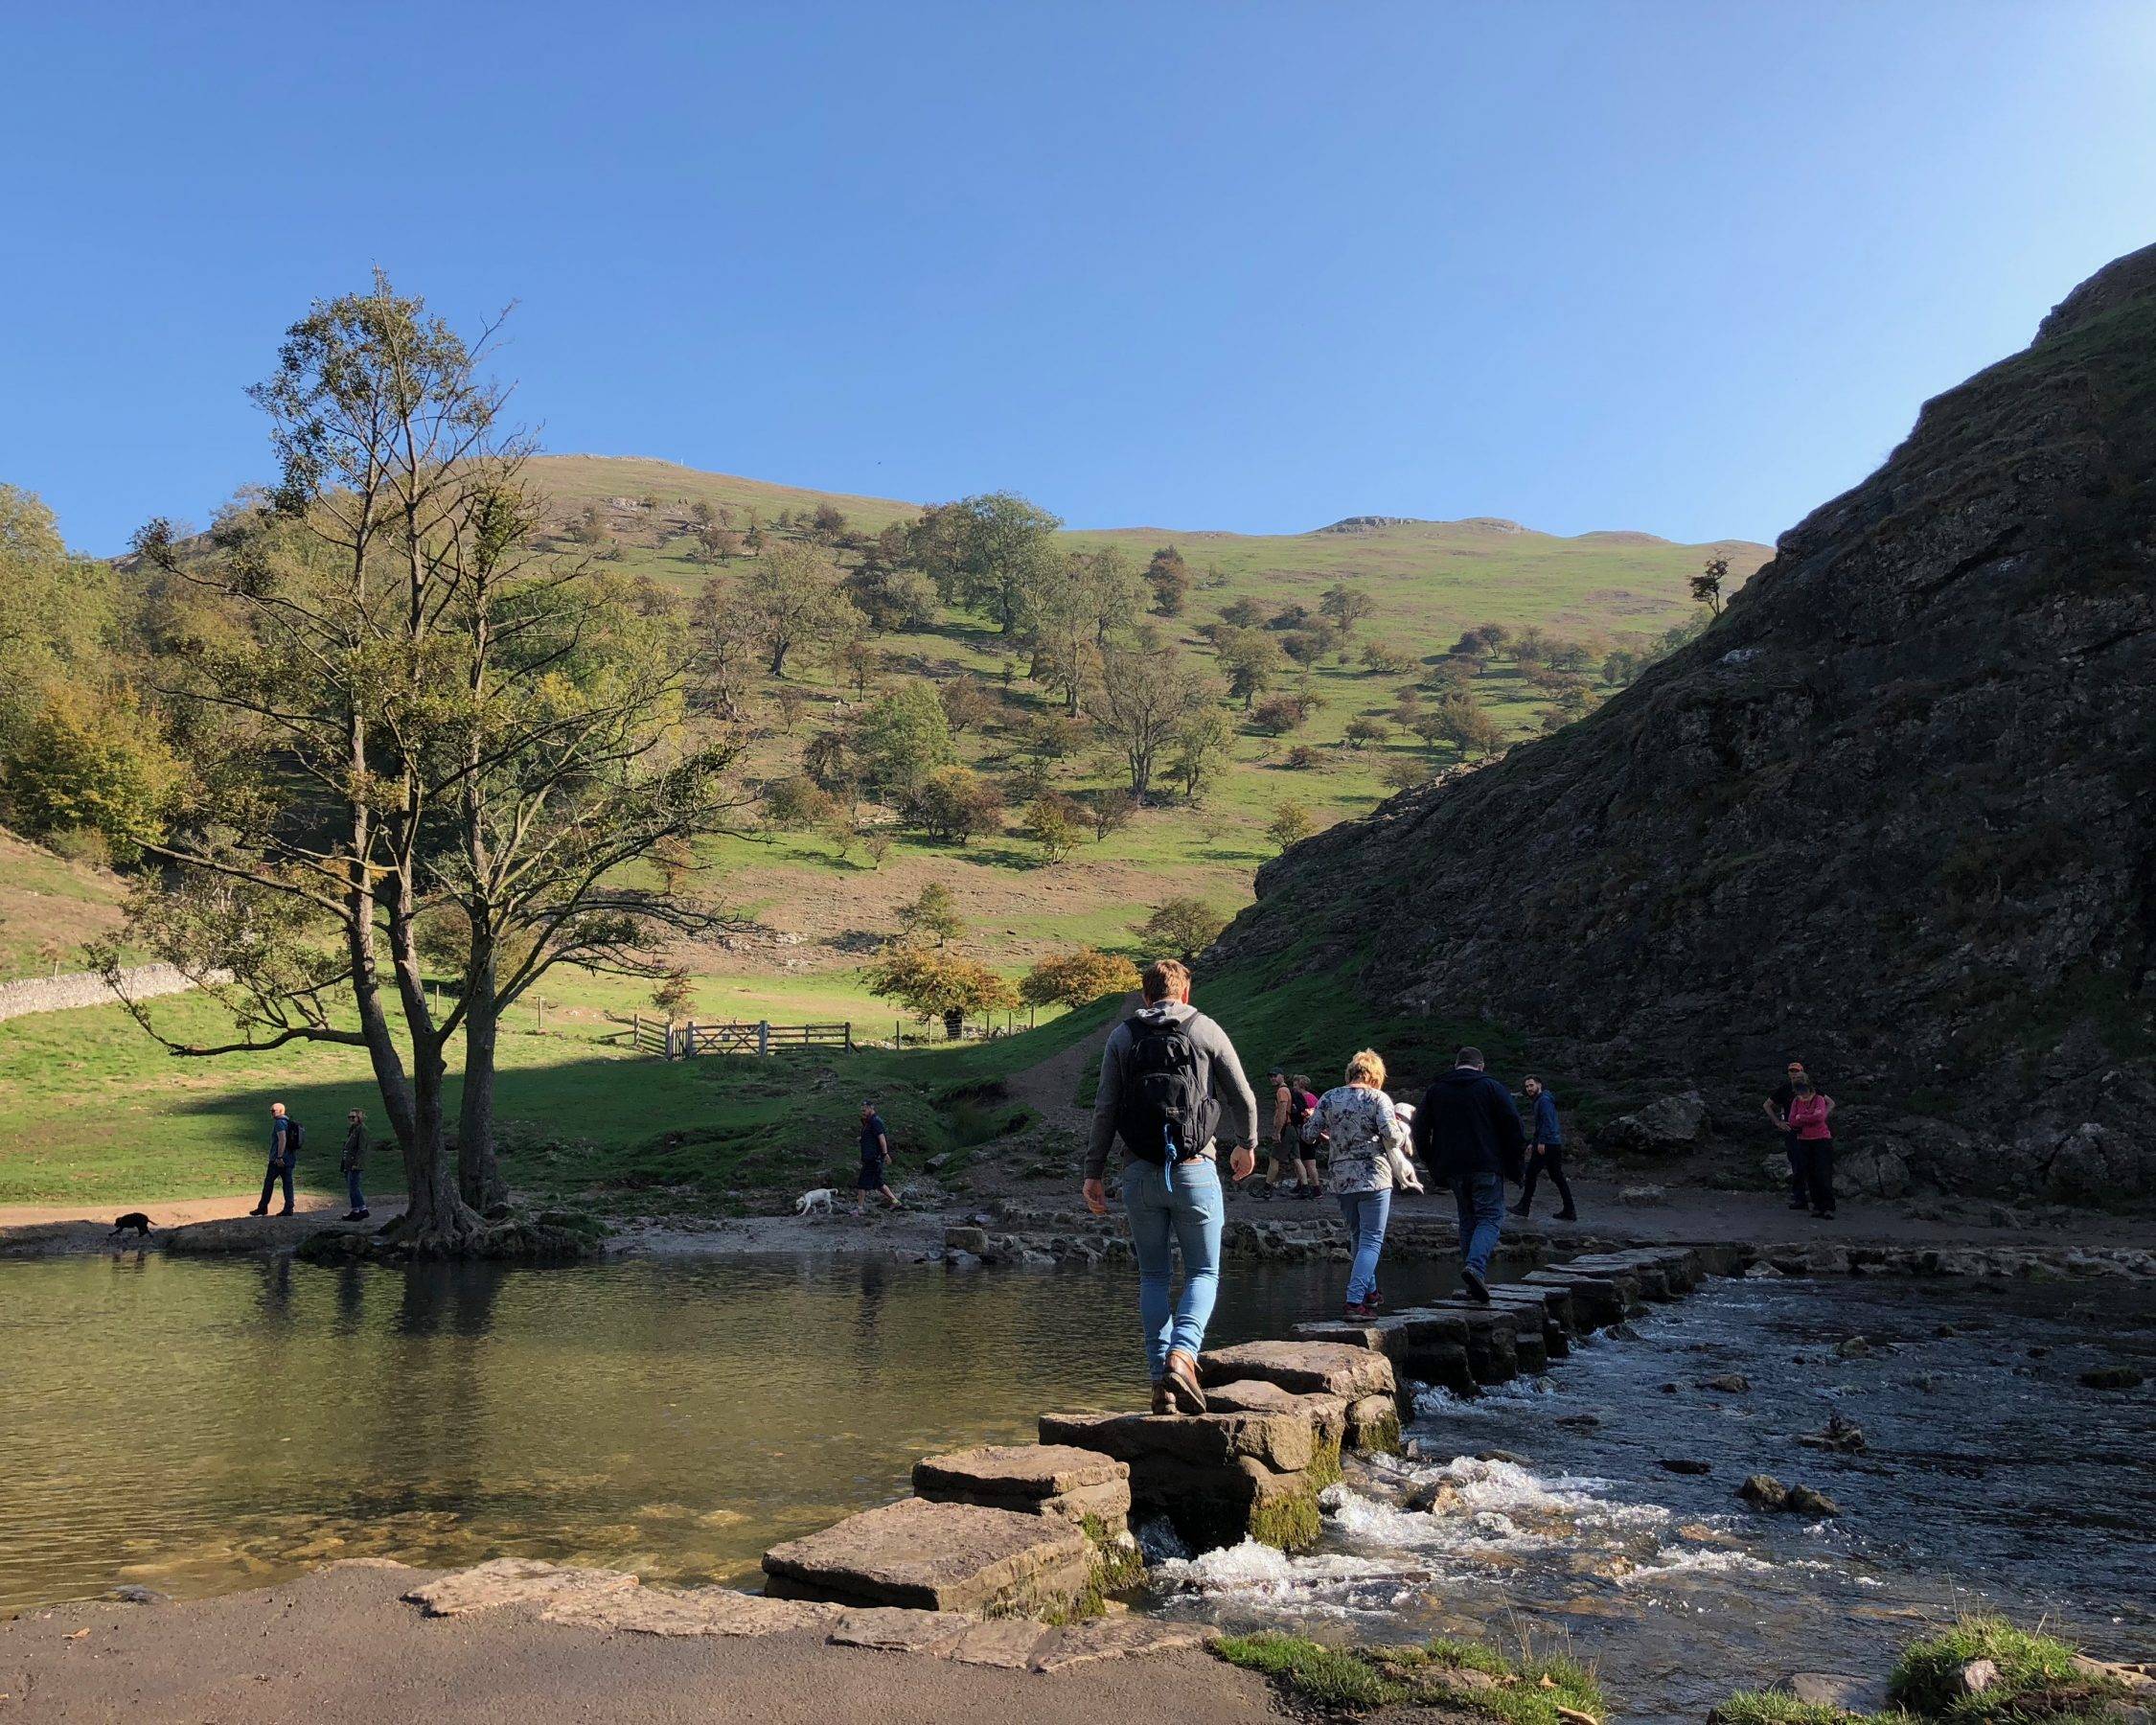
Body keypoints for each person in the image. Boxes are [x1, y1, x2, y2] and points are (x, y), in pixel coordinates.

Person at [1086, 957, 1258, 1414]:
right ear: (1185, 994)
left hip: (1140, 1173)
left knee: (1154, 1276)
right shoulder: (1204, 1029)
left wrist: (1093, 1172)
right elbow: (1242, 1094)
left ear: (1145, 997)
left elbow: (1105, 1109)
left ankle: (1161, 1386)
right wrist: (1247, 1144)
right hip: (1195, 1168)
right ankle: (1183, 1356)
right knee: (1203, 1272)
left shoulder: (1123, 1036)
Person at [1411, 1047, 1525, 1303]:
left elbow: (1419, 1128)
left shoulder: (1436, 1090)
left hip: (1452, 1167)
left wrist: (1431, 1160)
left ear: (1455, 1065)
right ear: (1481, 1066)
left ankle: (1474, 1282)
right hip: (1486, 1163)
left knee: (1467, 1219)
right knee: (1490, 1217)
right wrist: (1515, 1162)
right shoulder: (1491, 1087)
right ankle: (1475, 1267)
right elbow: (1513, 1125)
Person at [1302, 1049, 1410, 1319]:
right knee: (1372, 1240)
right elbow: (1391, 1137)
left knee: (1358, 1236)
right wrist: (1401, 1126)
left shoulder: (1329, 1097)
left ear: (1351, 1072)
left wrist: (1317, 1121)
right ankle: (1354, 1301)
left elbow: (1308, 1135)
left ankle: (1371, 1294)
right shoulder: (1378, 1098)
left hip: (1341, 1177)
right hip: (1374, 1176)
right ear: (1375, 1076)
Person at [1511, 1075, 1577, 1221]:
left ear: (1539, 1085)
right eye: (1527, 1086)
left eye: (1531, 1085)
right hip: (1551, 1143)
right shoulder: (1540, 1100)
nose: (1529, 1088)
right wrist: (1533, 1142)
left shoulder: (1544, 1100)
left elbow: (1547, 1122)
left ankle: (1524, 1207)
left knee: (1531, 1173)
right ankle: (1569, 1210)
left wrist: (1541, 1142)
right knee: (1557, 1177)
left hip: (1547, 1144)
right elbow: (1541, 1124)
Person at [1787, 1072, 1837, 1218]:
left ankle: (1827, 1206)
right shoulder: (1796, 1101)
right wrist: (1808, 1118)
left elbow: (1820, 1117)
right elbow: (1792, 1120)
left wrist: (1801, 1117)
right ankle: (1817, 1205)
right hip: (1804, 1140)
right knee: (1810, 1174)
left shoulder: (1818, 1099)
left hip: (1821, 1140)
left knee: (1823, 1173)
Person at [1762, 1061, 1811, 1211]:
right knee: (1797, 1164)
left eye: (1797, 1071)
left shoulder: (1810, 1089)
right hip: (1793, 1132)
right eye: (1792, 1071)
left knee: (1813, 1164)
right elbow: (1767, 1104)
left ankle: (1816, 1197)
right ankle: (1800, 1198)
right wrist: (1778, 1122)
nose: (1795, 1073)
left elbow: (1827, 1102)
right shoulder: (1784, 1090)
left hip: (1810, 1132)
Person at [250, 1101, 301, 1217]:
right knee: (288, 1183)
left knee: (269, 1183)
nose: (272, 1113)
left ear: (281, 1111)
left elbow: (282, 1140)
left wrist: (279, 1157)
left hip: (278, 1160)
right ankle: (289, 1208)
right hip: (290, 1159)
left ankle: (262, 1207)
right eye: (271, 1111)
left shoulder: (280, 1123)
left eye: (273, 1111)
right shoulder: (289, 1123)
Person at [856, 1100, 899, 1213]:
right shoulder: (869, 1123)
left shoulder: (875, 1122)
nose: (863, 1112)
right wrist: (862, 1139)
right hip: (871, 1157)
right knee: (879, 1183)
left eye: (864, 1110)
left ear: (870, 1108)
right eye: (862, 1110)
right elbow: (873, 1137)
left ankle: (859, 1209)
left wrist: (885, 1154)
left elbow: (882, 1138)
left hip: (873, 1158)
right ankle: (895, 1201)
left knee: (862, 1183)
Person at [1290, 1073, 1322, 1198]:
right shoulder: (1313, 1098)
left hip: (1306, 1133)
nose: (1294, 1087)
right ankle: (1300, 1184)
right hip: (1313, 1133)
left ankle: (1316, 1188)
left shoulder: (1304, 1098)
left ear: (1302, 1086)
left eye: (1296, 1085)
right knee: (1303, 1160)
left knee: (1309, 1162)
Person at [339, 1108, 369, 1222]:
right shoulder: (353, 1129)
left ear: (359, 1118)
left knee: (354, 1187)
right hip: (348, 1162)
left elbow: (362, 1149)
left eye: (353, 1117)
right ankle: (355, 1209)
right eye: (349, 1117)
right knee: (351, 1187)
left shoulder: (362, 1130)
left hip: (354, 1163)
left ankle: (363, 1209)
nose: (351, 1119)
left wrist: (357, 1163)